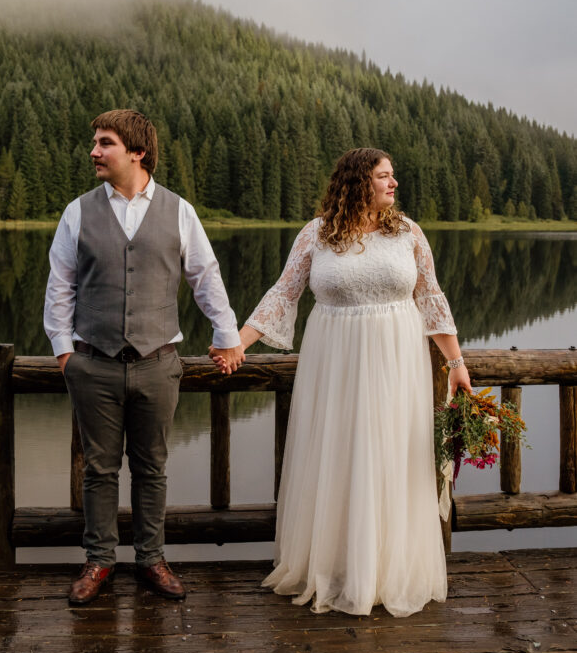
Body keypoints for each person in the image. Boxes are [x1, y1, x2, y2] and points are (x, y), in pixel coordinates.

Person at [228, 148, 471, 618]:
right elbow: (284, 292)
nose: (394, 183)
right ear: (359, 182)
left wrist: (456, 361)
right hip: (334, 363)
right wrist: (238, 342)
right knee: (339, 455)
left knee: (391, 455)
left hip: (397, 363)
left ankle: (388, 570)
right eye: (385, 176)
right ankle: (340, 567)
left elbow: (430, 298)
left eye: (393, 176)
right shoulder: (317, 235)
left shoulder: (408, 233)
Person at [44, 109, 244, 605]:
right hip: (93, 363)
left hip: (159, 363)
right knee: (99, 470)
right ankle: (99, 562)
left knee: (152, 467)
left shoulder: (179, 210)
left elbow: (205, 277)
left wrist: (227, 335)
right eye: (95, 142)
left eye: (104, 143)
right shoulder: (78, 211)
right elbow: (60, 286)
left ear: (137, 152)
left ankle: (151, 559)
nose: (94, 151)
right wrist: (65, 352)